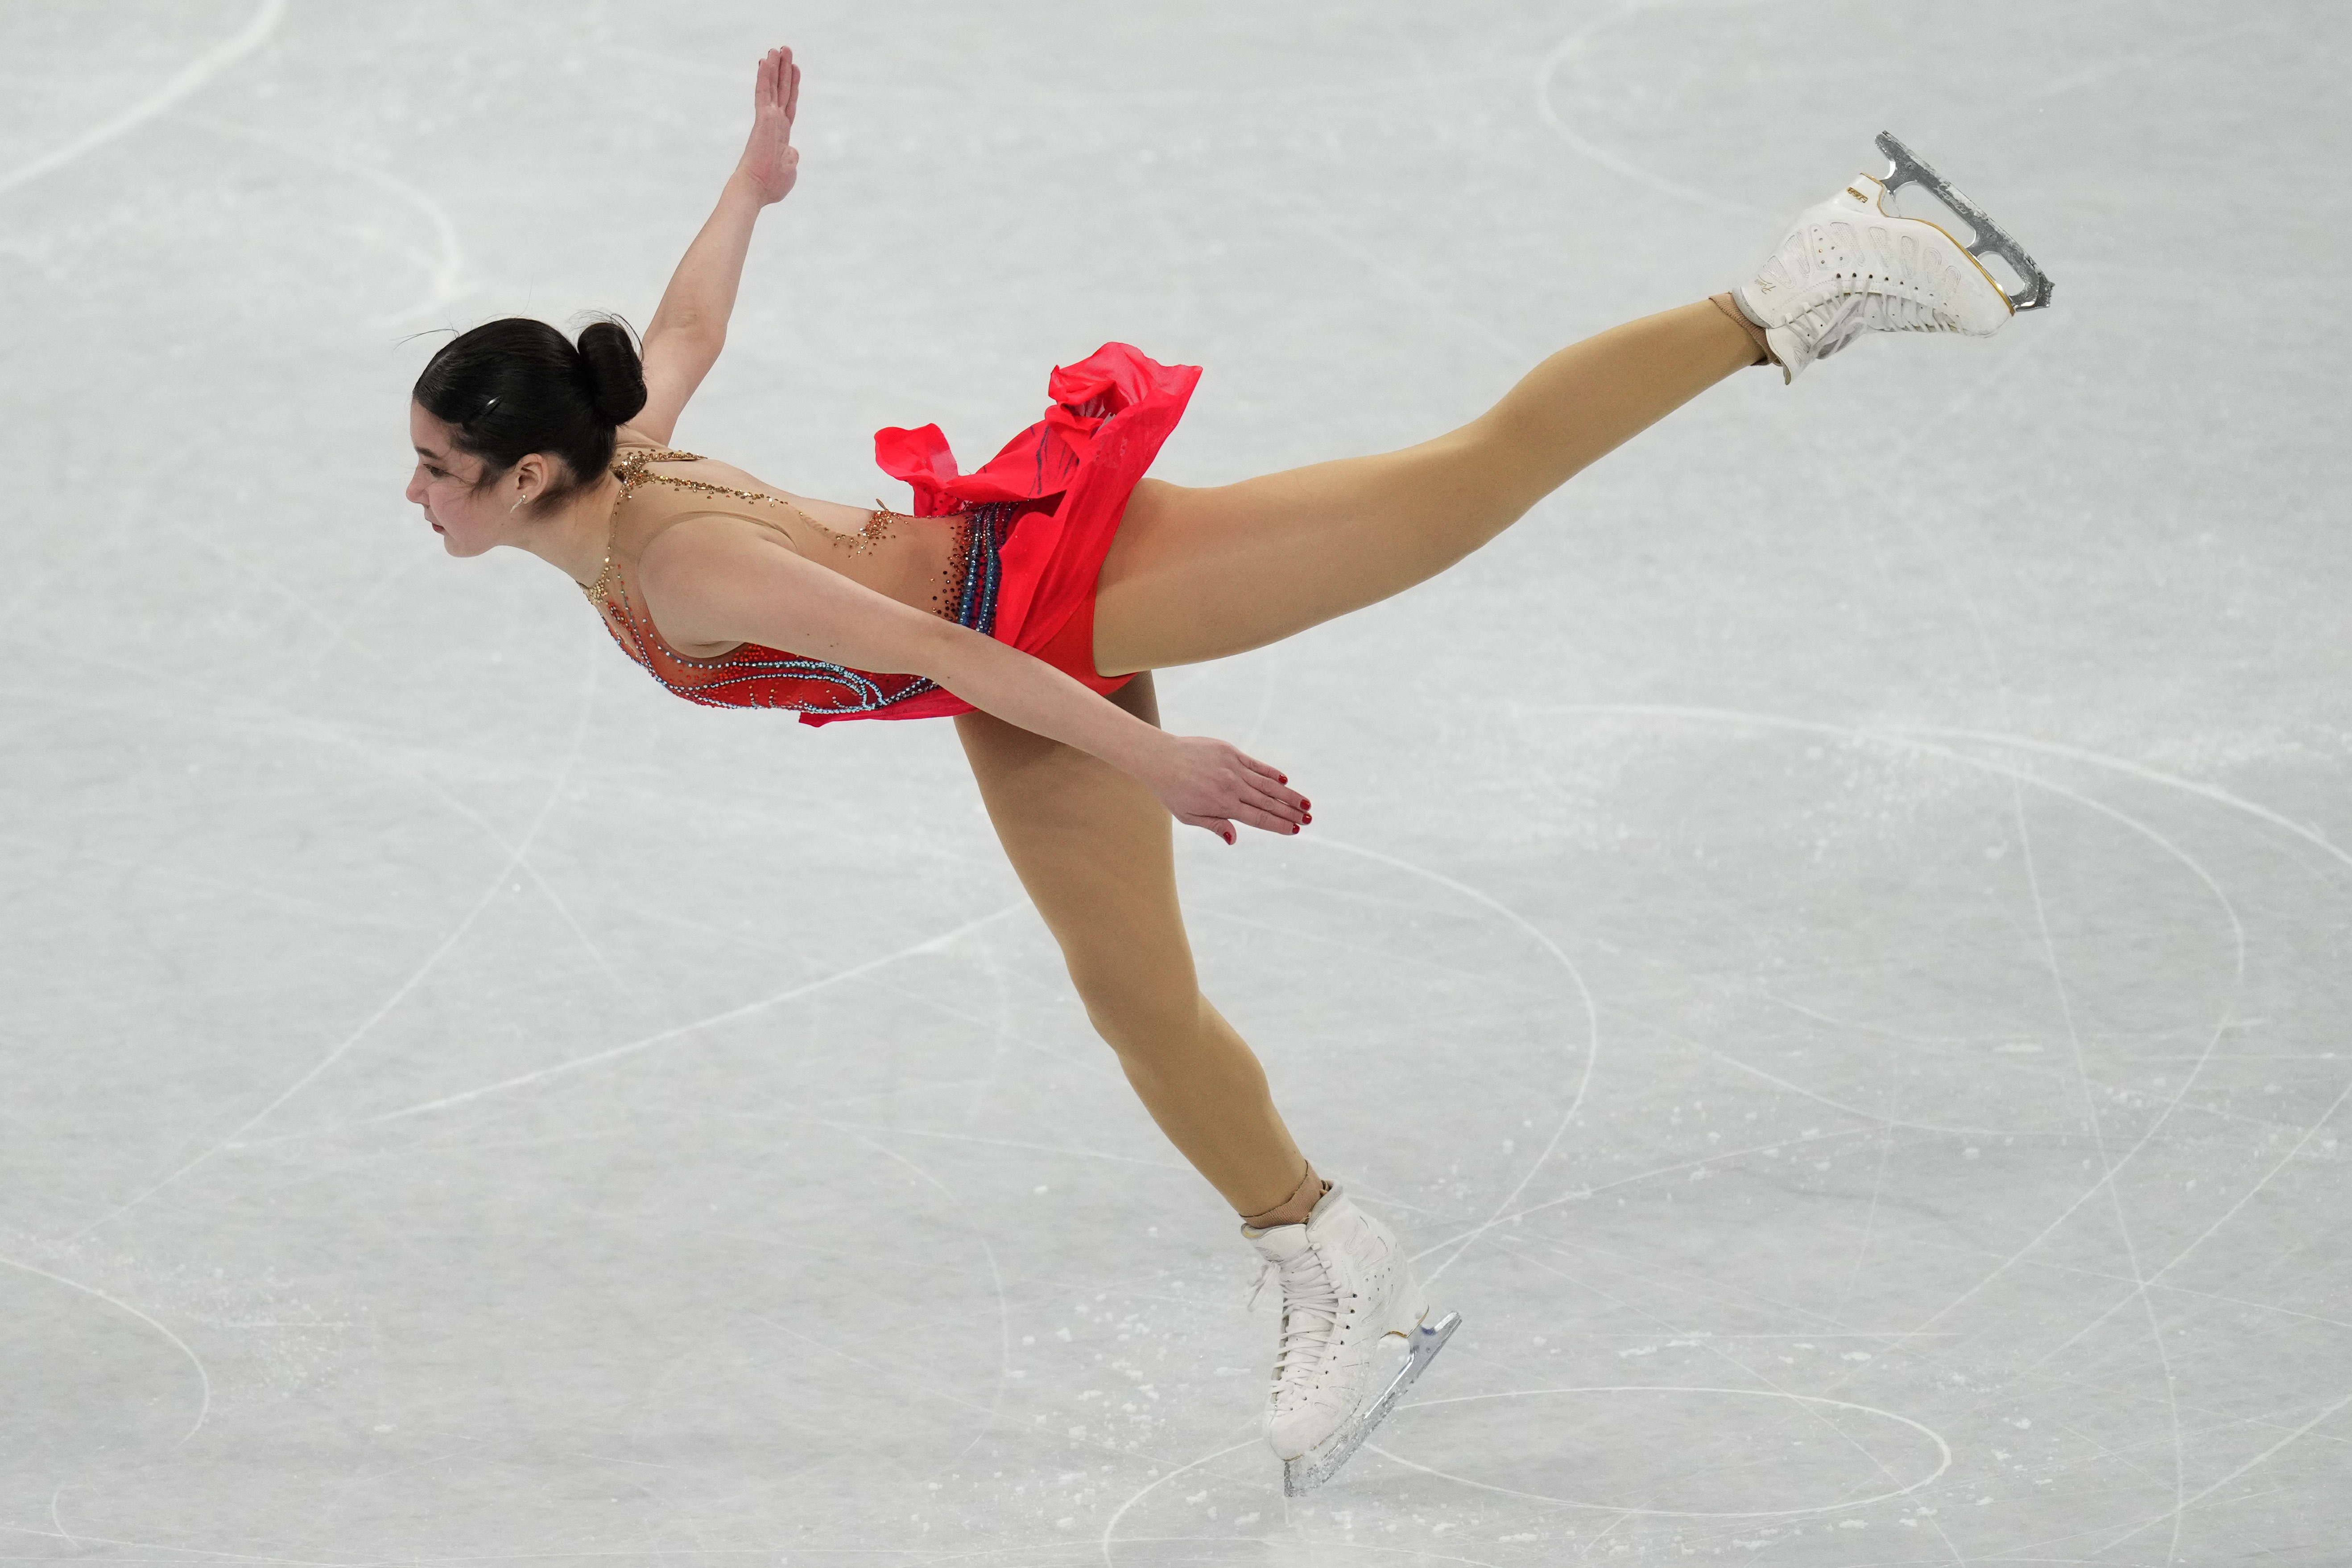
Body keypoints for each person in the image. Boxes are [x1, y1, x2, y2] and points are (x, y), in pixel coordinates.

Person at [402, 46, 2043, 1491]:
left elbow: (964, 657)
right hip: (1022, 668)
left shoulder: (679, 564)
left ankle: (1792, 293)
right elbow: (682, 326)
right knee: (1132, 996)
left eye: (438, 469)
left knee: (1456, 486)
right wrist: (749, 185)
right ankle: (1329, 1252)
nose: (417, 494)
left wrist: (1161, 755)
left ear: (531, 468)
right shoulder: (622, 462)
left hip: (1066, 608)